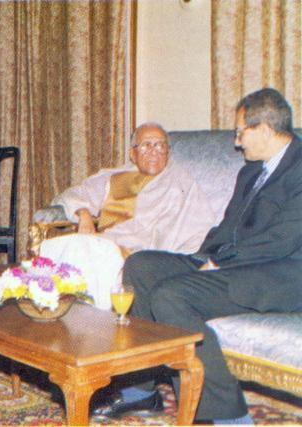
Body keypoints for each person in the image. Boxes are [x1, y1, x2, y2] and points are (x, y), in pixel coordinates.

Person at [105, 88, 302, 424]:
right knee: (141, 266)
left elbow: (281, 239)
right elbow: (228, 228)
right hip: (235, 263)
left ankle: (230, 416)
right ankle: (143, 387)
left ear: (266, 130)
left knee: (173, 296)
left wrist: (220, 264)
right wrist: (201, 257)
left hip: (281, 275)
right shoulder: (252, 171)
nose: (237, 142)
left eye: (241, 132)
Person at [39, 123, 215, 309]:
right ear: (133, 154)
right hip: (102, 242)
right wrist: (83, 213)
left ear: (168, 153)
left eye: (160, 145)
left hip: (139, 254)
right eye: (146, 145)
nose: (154, 151)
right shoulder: (113, 178)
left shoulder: (180, 183)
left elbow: (200, 225)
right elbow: (74, 195)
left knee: (90, 256)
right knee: (59, 248)